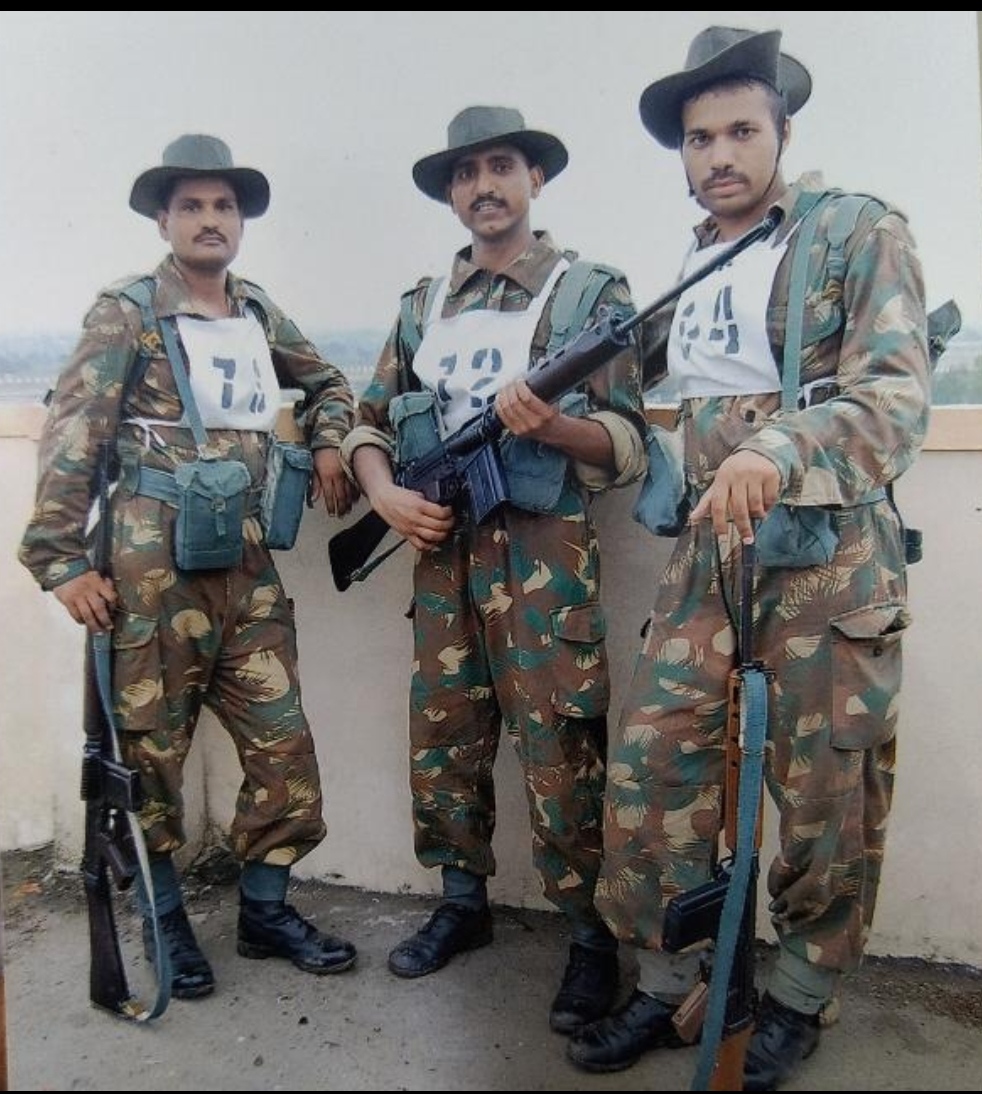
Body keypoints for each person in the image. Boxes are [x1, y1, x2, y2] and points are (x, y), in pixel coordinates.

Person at [565, 27, 931, 1089]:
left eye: (739, 131)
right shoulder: (695, 263)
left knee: (826, 795)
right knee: (654, 770)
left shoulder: (854, 228)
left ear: (782, 134)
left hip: (825, 563)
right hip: (707, 560)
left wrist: (780, 446)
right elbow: (649, 400)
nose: (718, 155)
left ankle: (799, 995)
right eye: (698, 139)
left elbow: (895, 399)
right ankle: (669, 978)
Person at [18, 133, 361, 1000]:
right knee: (149, 756)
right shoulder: (128, 311)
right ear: (164, 221)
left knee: (284, 746)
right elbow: (75, 430)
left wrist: (329, 443)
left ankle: (265, 910)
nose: (211, 220)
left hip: (245, 564)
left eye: (225, 207)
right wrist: (61, 561)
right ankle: (163, 916)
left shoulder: (254, 311)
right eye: (193, 206)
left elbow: (328, 383)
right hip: (150, 570)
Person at [339, 105, 648, 1036]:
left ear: (534, 178)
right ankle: (460, 903)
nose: (484, 186)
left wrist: (553, 426)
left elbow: (628, 441)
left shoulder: (587, 293)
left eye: (502, 166)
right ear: (451, 194)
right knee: (446, 734)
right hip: (441, 557)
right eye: (466, 174)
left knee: (562, 746)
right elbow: (367, 422)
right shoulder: (421, 306)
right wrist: (386, 494)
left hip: (545, 561)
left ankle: (591, 938)